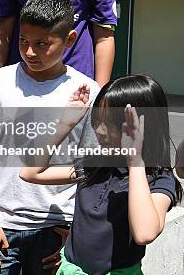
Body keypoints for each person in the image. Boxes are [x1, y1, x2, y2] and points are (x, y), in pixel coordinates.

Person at [0, 0, 100, 275]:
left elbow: (94, 171)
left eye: (42, 44)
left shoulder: (88, 92)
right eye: (23, 41)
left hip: (56, 231)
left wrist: (77, 232)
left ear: (70, 40)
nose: (30, 52)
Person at [20, 75, 183, 275]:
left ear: (142, 128)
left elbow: (144, 233)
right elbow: (30, 172)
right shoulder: (96, 164)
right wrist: (65, 124)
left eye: (110, 123)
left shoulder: (158, 179)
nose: (99, 130)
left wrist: (135, 161)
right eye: (97, 119)